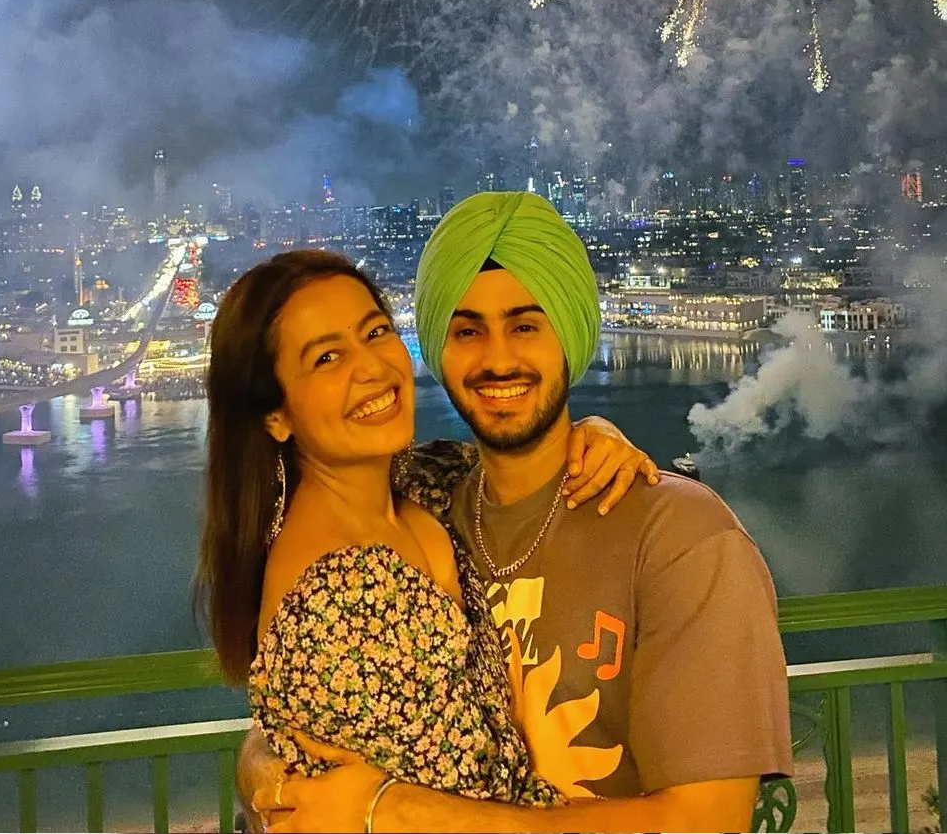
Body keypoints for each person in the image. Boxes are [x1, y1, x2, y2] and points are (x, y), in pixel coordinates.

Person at [253, 192, 793, 834]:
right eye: (467, 331)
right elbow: (300, 707)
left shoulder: (680, 537)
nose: (499, 359)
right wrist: (263, 771)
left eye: (526, 326)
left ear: (570, 336)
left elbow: (708, 822)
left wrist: (394, 810)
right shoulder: (422, 509)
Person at [194, 247, 657, 826]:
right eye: (327, 357)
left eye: (375, 332)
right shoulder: (341, 599)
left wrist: (595, 433)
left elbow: (512, 469)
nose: (372, 368)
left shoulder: (423, 485)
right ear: (275, 416)